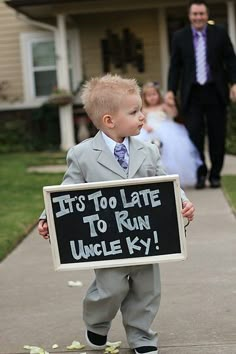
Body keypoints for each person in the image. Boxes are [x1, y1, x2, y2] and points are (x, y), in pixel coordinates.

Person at [38, 74, 195, 354]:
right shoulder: (82, 154)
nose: (142, 117)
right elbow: (67, 189)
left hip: (146, 238)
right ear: (110, 120)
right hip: (108, 242)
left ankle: (142, 336)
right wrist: (49, 215)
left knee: (147, 291)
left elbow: (165, 182)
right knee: (110, 288)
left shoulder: (148, 151)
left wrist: (181, 201)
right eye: (134, 112)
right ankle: (97, 323)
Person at [166, 0, 236, 189]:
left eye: (201, 14)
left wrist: (234, 83)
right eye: (195, 14)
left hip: (216, 92)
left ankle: (215, 175)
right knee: (194, 136)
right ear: (189, 16)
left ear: (207, 15)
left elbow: (230, 60)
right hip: (192, 94)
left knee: (217, 136)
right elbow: (175, 66)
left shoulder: (219, 33)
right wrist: (171, 90)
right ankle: (200, 173)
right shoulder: (179, 37)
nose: (198, 17)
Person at [137, 81, 202, 188]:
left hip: (166, 131)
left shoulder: (163, 106)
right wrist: (145, 126)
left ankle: (170, 177)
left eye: (154, 94)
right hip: (149, 132)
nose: (152, 97)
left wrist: (172, 105)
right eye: (149, 95)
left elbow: (174, 114)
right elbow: (140, 121)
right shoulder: (144, 109)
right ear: (144, 97)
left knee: (170, 154)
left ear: (158, 94)